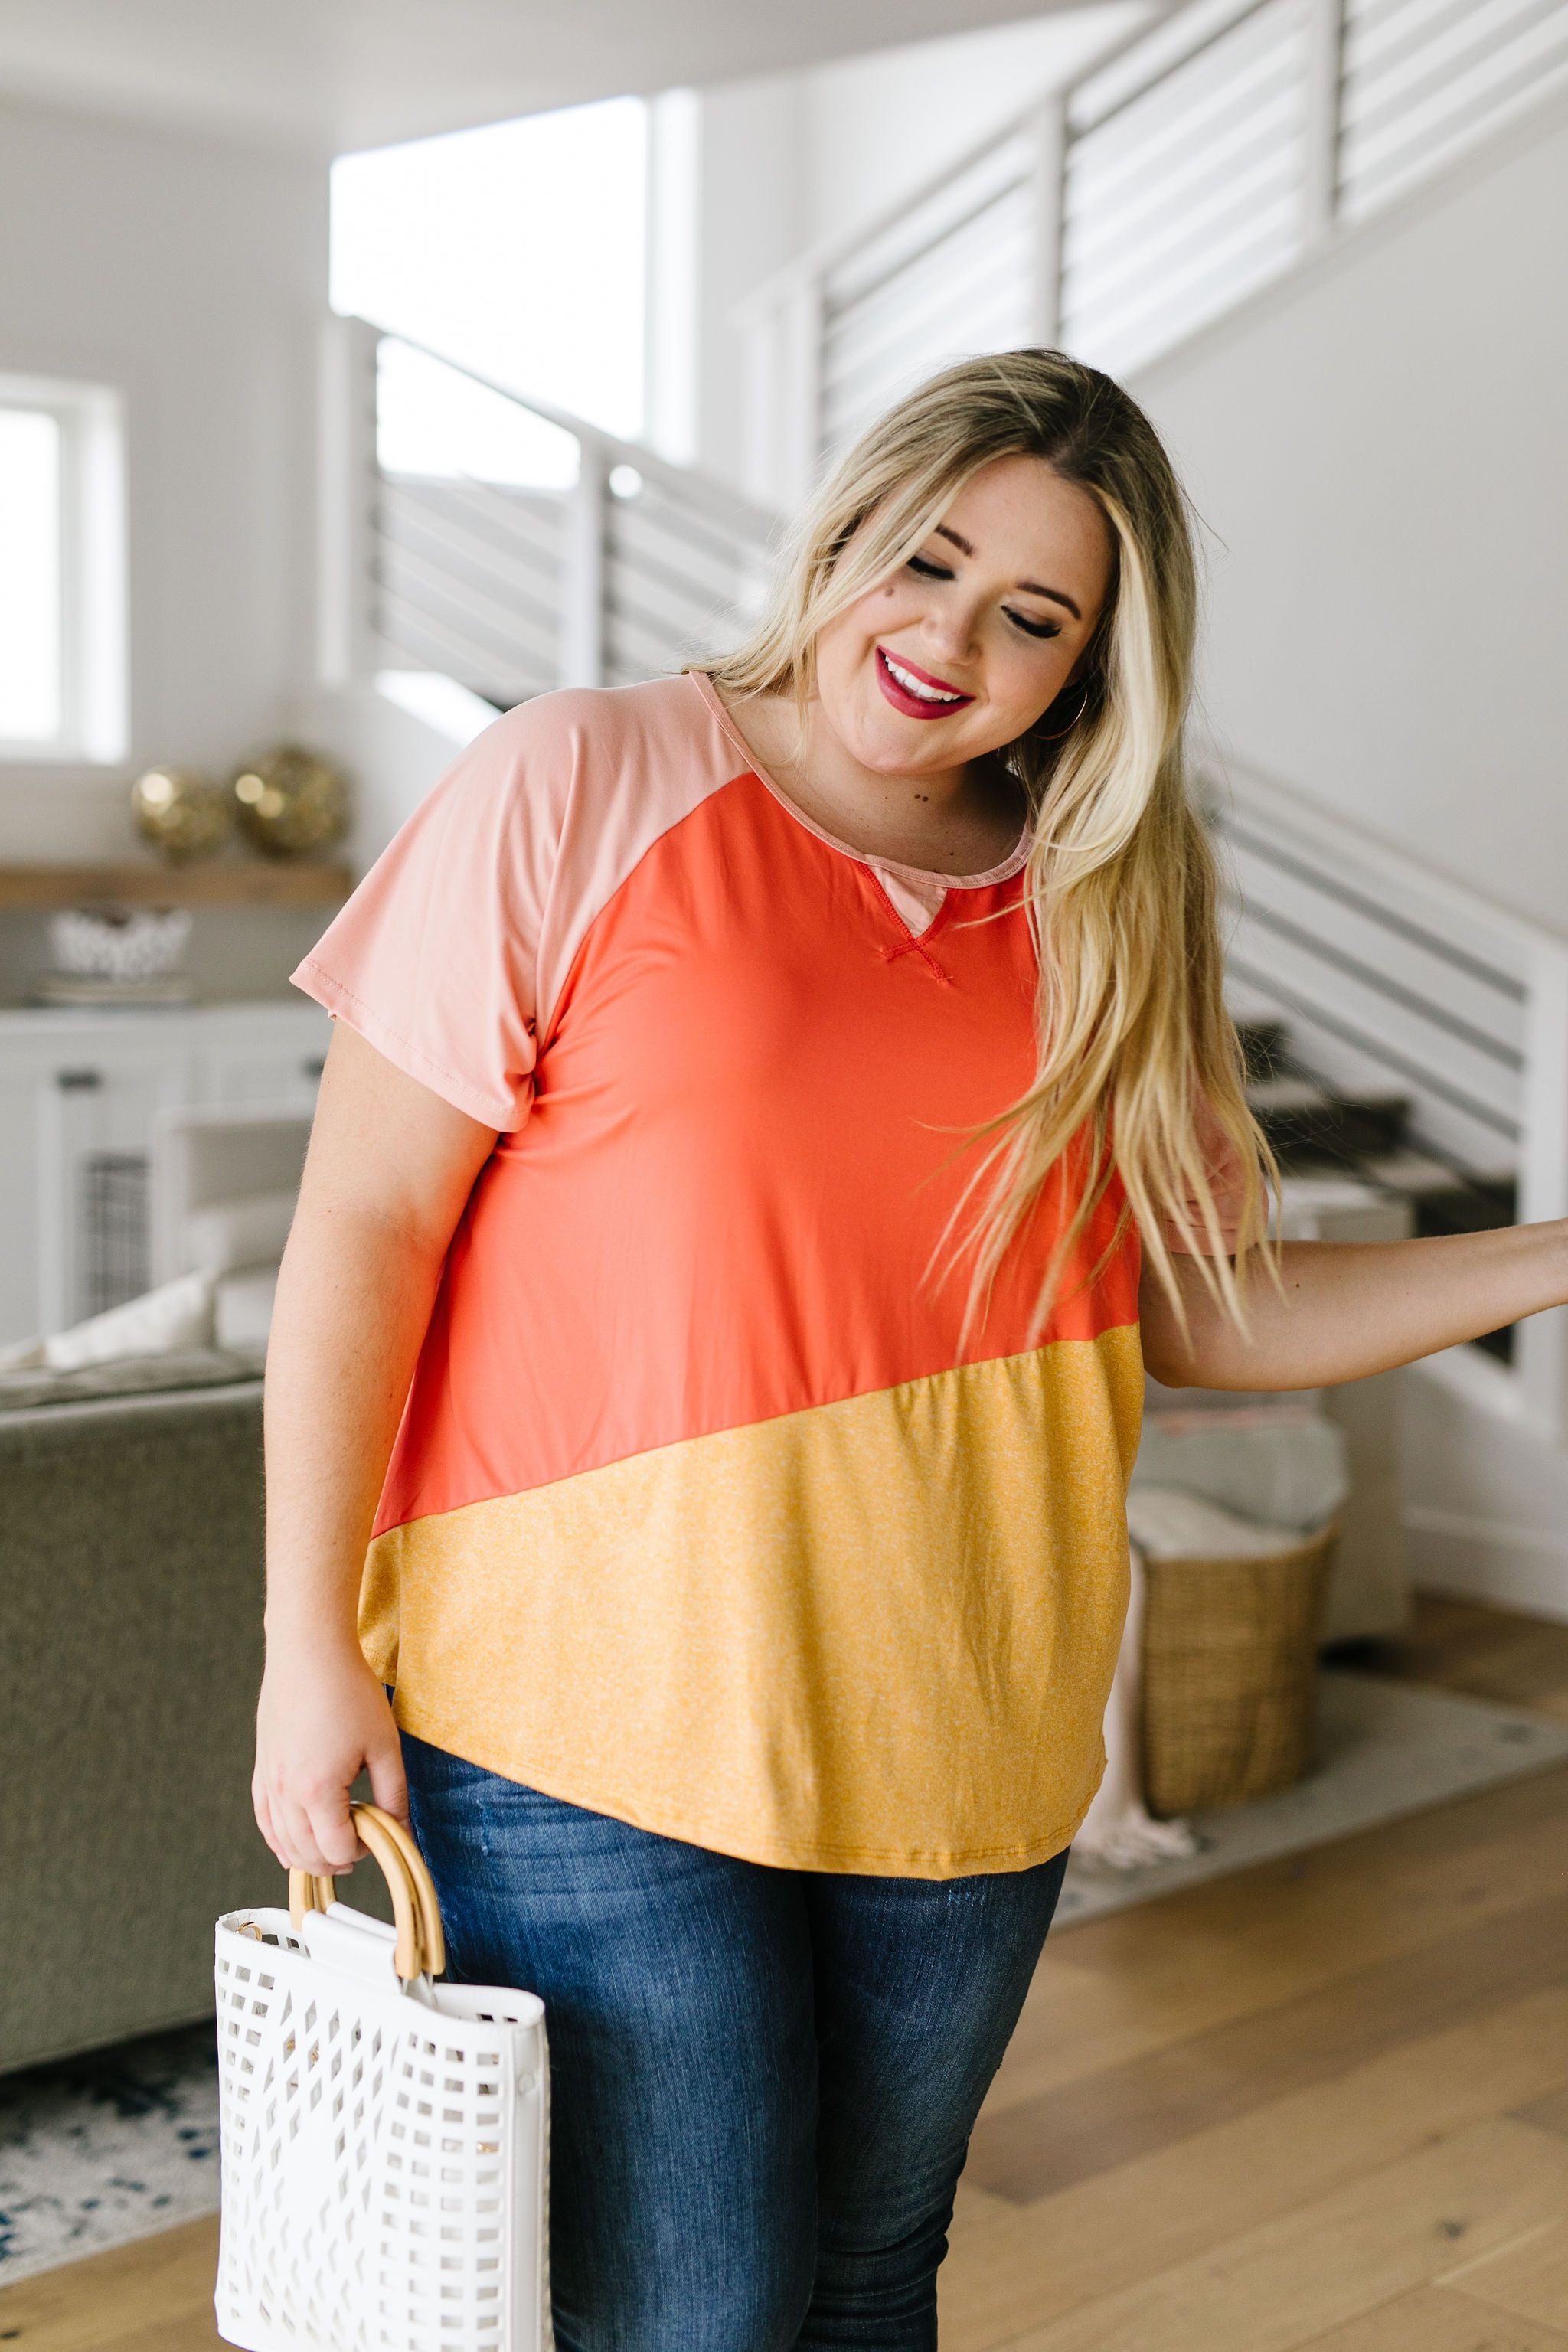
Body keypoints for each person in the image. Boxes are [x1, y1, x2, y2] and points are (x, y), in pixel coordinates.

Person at [254, 350, 1568, 2350]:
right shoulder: (581, 776)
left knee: (873, 2279)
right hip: (578, 1704)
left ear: (1094, 667)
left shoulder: (1109, 896)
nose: (952, 639)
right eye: (929, 560)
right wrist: (307, 1643)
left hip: (973, 1704)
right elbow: (367, 1227)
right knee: (694, 2317)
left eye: (1034, 614)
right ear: (849, 525)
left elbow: (1188, 1304)